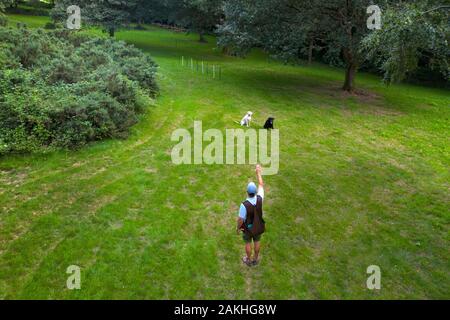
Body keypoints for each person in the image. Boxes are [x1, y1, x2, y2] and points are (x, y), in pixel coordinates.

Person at [237, 164, 265, 266]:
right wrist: (258, 173)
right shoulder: (260, 198)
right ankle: (255, 259)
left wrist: (238, 228)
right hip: (258, 226)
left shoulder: (243, 205)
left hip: (248, 229)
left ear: (247, 192)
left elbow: (240, 219)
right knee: (257, 241)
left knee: (248, 243)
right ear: (255, 192)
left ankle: (248, 259)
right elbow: (261, 184)